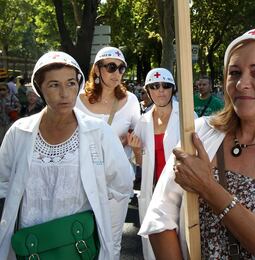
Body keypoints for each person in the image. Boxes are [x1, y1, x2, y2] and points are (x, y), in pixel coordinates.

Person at [139, 28, 255, 259]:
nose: (241, 84)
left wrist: (209, 188)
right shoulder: (199, 133)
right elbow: (160, 216)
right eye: (234, 72)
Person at [0, 51, 134, 259]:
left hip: (78, 245)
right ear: (40, 88)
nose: (64, 93)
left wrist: (102, 221)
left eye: (71, 83)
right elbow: (3, 182)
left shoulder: (98, 132)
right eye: (54, 85)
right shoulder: (20, 132)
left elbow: (122, 184)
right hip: (31, 245)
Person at [75, 46, 140, 258]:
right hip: (82, 180)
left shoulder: (130, 101)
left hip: (116, 183)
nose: (117, 73)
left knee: (112, 242)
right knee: (82, 239)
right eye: (111, 67)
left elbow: (138, 134)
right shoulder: (78, 100)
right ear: (97, 69)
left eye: (122, 68)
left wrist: (131, 142)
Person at [127, 68, 197, 260]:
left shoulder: (187, 116)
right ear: (148, 91)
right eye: (154, 86)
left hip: (181, 191)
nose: (160, 91)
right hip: (152, 193)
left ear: (173, 89)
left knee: (183, 243)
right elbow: (140, 163)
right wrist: (135, 150)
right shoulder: (143, 121)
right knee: (154, 246)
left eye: (166, 86)